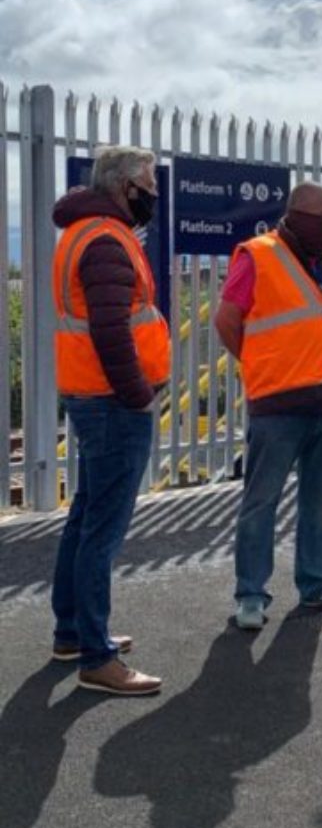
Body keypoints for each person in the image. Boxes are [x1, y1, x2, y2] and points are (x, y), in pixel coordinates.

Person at [215, 182, 322, 630]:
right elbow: (227, 320)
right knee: (261, 502)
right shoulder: (257, 254)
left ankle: (319, 584)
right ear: (297, 215)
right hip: (278, 402)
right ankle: (251, 595)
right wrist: (262, 363)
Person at [50, 146, 170, 695]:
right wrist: (138, 394)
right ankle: (97, 658)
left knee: (85, 515)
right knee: (103, 528)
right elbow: (111, 329)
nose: (153, 193)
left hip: (90, 395)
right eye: (148, 183)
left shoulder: (86, 231)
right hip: (112, 402)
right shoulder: (105, 240)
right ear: (124, 186)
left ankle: (74, 631)